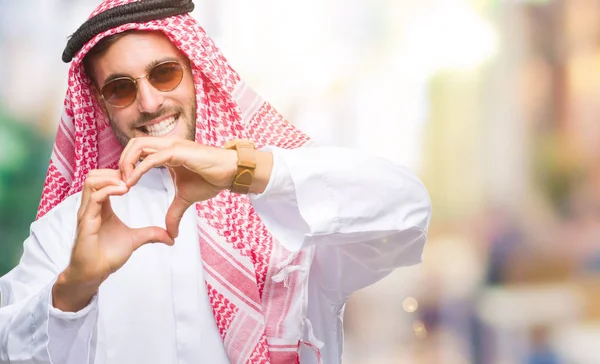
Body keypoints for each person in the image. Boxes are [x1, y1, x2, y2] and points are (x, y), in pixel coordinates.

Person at [0, 0, 432, 363]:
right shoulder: (68, 231)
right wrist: (73, 290)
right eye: (121, 88)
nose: (149, 102)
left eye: (164, 73)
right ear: (100, 103)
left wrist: (241, 171)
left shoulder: (285, 204)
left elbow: (408, 213)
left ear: (197, 72)